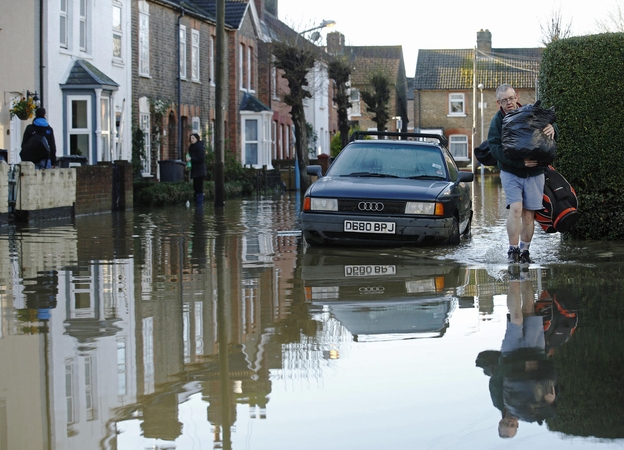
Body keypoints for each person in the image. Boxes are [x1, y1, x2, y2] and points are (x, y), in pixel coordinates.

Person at [476, 272, 557, 438]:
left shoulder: (498, 400)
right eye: (512, 425)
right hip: (535, 351)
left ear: (500, 422)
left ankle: (514, 275)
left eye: (506, 424)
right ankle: (525, 272)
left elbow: (498, 374)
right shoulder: (531, 410)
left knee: (517, 317)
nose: (510, 421)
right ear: (517, 425)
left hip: (512, 353)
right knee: (528, 308)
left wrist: (520, 367)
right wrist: (551, 399)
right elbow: (548, 387)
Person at [487, 84, 558, 264]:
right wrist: (519, 163)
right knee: (516, 208)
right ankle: (513, 251)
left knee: (528, 214)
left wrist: (553, 129)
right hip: (511, 171)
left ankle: (525, 251)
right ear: (499, 102)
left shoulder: (529, 112)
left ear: (516, 96)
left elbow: (548, 124)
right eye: (504, 100)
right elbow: (494, 147)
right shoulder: (498, 120)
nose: (509, 103)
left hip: (535, 172)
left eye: (511, 98)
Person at [186, 133, 207, 206]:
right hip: (194, 169)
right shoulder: (191, 147)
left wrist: (191, 159)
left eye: (193, 138)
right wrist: (188, 164)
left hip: (200, 170)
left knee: (199, 187)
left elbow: (201, 158)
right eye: (191, 138)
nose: (191, 140)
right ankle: (197, 203)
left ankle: (200, 203)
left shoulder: (200, 147)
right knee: (195, 187)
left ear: (197, 139)